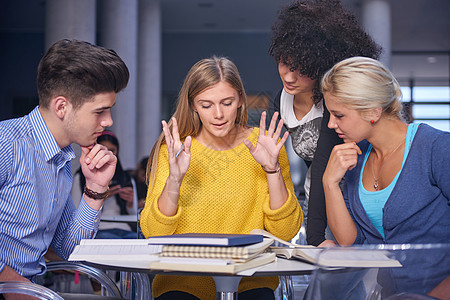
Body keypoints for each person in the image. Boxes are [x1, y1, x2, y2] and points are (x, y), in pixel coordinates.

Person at [140, 56, 302, 300]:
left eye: (227, 102)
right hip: (183, 284)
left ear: (239, 99)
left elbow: (286, 231)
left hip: (250, 283)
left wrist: (272, 170)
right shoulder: (174, 151)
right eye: (206, 105)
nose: (218, 114)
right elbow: (154, 232)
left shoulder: (264, 145)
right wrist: (174, 179)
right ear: (193, 105)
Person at [0, 39, 129, 298]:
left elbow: (69, 247)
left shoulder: (61, 160)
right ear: (62, 107)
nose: (108, 121)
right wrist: (11, 283)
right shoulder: (8, 144)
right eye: (100, 111)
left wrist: (95, 188)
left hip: (34, 288)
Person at [321, 56, 450, 298]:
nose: (330, 124)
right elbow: (350, 242)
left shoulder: (436, 148)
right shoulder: (356, 160)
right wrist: (329, 183)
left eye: (338, 115)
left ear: (373, 111)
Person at [268, 0, 381, 247]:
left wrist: (316, 239)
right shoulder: (282, 99)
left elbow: (322, 166)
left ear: (321, 65)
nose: (289, 76)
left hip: (351, 200)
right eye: (285, 63)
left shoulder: (333, 106)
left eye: (301, 69)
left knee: (348, 277)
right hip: (320, 197)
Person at [72, 131, 138, 239]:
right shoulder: (81, 177)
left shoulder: (126, 178)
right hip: (99, 228)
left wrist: (130, 202)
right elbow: (74, 211)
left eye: (112, 150)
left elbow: (133, 214)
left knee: (139, 242)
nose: (107, 155)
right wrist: (99, 197)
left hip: (124, 227)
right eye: (103, 150)